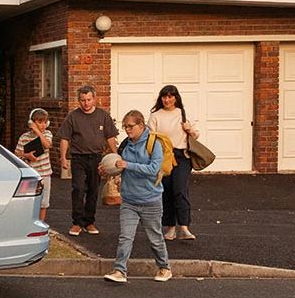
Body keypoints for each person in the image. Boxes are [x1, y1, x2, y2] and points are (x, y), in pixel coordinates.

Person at [101, 110, 172, 283]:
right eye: (125, 127)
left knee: (155, 238)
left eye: (130, 126)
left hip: (150, 200)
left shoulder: (153, 143)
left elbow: (153, 169)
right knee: (125, 236)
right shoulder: (125, 144)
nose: (127, 130)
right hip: (129, 200)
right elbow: (118, 165)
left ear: (141, 125)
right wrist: (108, 168)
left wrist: (128, 165)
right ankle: (119, 270)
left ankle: (164, 267)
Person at [57, 85, 118, 236]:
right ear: (79, 100)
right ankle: (77, 223)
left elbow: (110, 137)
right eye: (82, 100)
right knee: (78, 189)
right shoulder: (73, 117)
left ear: (95, 99)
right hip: (78, 158)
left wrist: (116, 155)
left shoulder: (103, 116)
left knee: (93, 190)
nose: (86, 103)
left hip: (97, 159)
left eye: (89, 100)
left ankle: (89, 222)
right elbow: (65, 138)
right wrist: (63, 158)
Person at [148, 85, 200, 241]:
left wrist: (188, 129)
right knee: (166, 192)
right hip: (164, 156)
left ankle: (184, 227)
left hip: (182, 156)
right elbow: (151, 137)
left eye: (170, 96)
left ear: (176, 98)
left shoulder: (183, 114)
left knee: (180, 189)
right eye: (164, 96)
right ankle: (170, 228)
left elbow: (196, 135)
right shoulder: (155, 116)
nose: (167, 100)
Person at [15, 108, 53, 221]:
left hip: (45, 174)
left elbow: (47, 145)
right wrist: (27, 156)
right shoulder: (24, 137)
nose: (43, 125)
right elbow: (16, 154)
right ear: (31, 123)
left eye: (45, 122)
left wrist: (37, 132)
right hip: (31, 174)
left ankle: (40, 224)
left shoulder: (47, 134)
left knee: (44, 202)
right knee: (29, 201)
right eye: (39, 122)